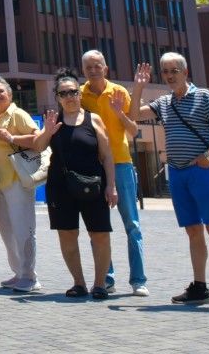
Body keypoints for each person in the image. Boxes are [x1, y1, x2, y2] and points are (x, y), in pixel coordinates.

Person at [132, 54, 209, 308]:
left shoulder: (204, 96)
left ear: (185, 71)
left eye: (174, 70)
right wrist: (139, 86)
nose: (170, 76)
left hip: (202, 172)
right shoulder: (164, 102)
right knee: (193, 230)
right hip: (178, 173)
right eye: (165, 72)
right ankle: (200, 287)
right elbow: (135, 114)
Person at [0, 68, 117, 299]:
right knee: (67, 234)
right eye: (64, 93)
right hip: (61, 188)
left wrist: (111, 186)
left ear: (80, 94)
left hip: (93, 184)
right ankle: (79, 283)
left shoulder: (95, 120)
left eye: (73, 91)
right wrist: (49, 131)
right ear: (57, 98)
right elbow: (39, 146)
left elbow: (107, 155)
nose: (70, 96)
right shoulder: (54, 120)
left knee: (100, 234)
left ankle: (100, 283)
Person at [80, 49, 147, 295]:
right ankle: (105, 277)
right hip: (93, 166)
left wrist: (120, 113)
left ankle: (138, 280)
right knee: (98, 225)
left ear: (106, 68)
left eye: (97, 65)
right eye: (88, 67)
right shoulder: (80, 95)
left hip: (121, 163)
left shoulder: (118, 92)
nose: (93, 70)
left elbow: (133, 130)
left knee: (132, 224)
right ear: (83, 71)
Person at [0, 76, 41, 292]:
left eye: (1, 91)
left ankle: (30, 276)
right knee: (6, 231)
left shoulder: (18, 114)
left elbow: (38, 139)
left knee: (24, 228)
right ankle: (18, 272)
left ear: (10, 94)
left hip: (17, 180)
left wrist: (12, 139)